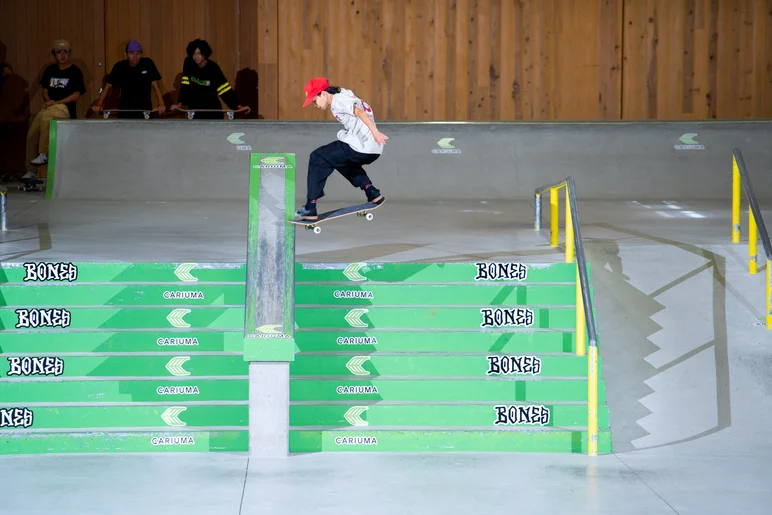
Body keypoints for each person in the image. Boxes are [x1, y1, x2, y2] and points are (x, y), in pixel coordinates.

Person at [294, 77, 387, 220]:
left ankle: (310, 207)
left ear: (323, 94)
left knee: (317, 157)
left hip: (361, 146)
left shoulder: (338, 101)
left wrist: (375, 132)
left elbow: (359, 113)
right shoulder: (343, 94)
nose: (315, 105)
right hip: (373, 149)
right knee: (338, 159)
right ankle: (372, 192)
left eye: (314, 101)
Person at [24, 39, 86, 178]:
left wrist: (56, 102)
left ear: (69, 53)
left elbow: (76, 95)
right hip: (49, 106)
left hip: (64, 108)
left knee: (47, 119)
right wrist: (48, 100)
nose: (62, 55)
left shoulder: (75, 71)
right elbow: (44, 90)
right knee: (32, 134)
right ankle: (31, 170)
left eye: (65, 52)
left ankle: (44, 153)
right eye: (59, 52)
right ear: (54, 54)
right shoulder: (50, 70)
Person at [170, 39, 248, 119]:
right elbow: (185, 86)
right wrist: (179, 104)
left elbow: (225, 90)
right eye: (194, 54)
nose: (196, 57)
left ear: (205, 54)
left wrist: (238, 106)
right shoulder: (188, 63)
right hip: (195, 112)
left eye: (199, 53)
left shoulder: (213, 68)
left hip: (213, 112)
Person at [91, 40, 165, 119]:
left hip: (145, 112)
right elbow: (108, 86)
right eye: (131, 53)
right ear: (126, 54)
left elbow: (155, 85)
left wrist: (161, 104)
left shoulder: (147, 63)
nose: (135, 57)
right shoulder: (119, 66)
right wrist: (99, 104)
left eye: (138, 53)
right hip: (125, 111)